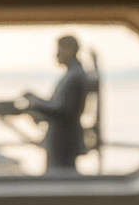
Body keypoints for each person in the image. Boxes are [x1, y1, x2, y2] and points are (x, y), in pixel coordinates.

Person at [22, 35, 90, 173]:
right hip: (61, 142)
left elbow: (66, 112)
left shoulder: (75, 77)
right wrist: (35, 99)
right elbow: (57, 106)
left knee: (62, 179)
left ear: (71, 50)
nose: (56, 54)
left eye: (60, 49)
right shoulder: (72, 75)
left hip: (63, 144)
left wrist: (36, 105)